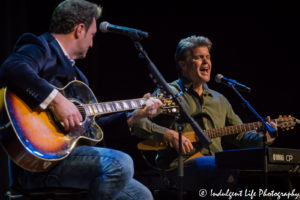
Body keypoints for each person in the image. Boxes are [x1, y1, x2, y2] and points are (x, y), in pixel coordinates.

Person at [0, 0, 162, 199]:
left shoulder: (79, 80)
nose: (92, 43)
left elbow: (94, 127)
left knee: (141, 195)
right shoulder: (41, 47)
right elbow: (12, 67)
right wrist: (57, 101)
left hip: (67, 158)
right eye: (92, 35)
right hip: (38, 165)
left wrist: (134, 116)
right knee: (121, 163)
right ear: (80, 29)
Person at [133, 35, 277, 194]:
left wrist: (262, 138)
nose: (206, 62)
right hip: (180, 168)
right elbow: (136, 122)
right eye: (199, 58)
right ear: (183, 64)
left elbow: (241, 137)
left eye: (208, 57)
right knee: (224, 167)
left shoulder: (219, 100)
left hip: (216, 170)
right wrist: (168, 134)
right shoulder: (169, 93)